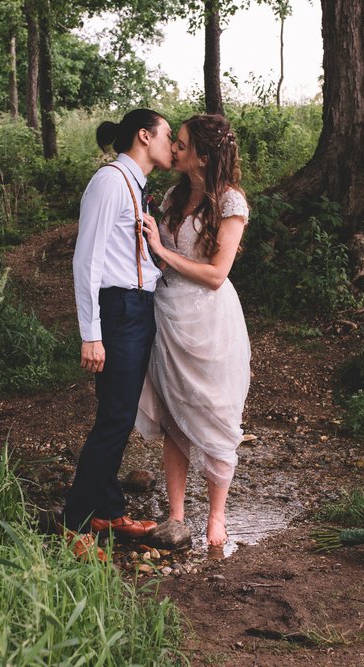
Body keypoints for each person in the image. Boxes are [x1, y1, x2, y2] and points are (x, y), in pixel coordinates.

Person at [62, 108, 174, 560]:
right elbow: (86, 259)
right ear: (144, 136)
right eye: (168, 135)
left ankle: (107, 510)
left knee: (120, 413)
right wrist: (91, 333)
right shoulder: (110, 181)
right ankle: (75, 523)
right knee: (114, 418)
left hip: (138, 307)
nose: (173, 144)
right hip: (117, 310)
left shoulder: (136, 185)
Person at [136, 114, 251, 550]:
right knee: (174, 419)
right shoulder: (171, 195)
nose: (175, 149)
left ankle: (217, 516)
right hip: (169, 316)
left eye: (181, 144)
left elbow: (217, 274)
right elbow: (156, 258)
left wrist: (162, 250)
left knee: (216, 413)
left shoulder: (230, 203)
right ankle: (178, 515)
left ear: (203, 155)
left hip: (210, 320)